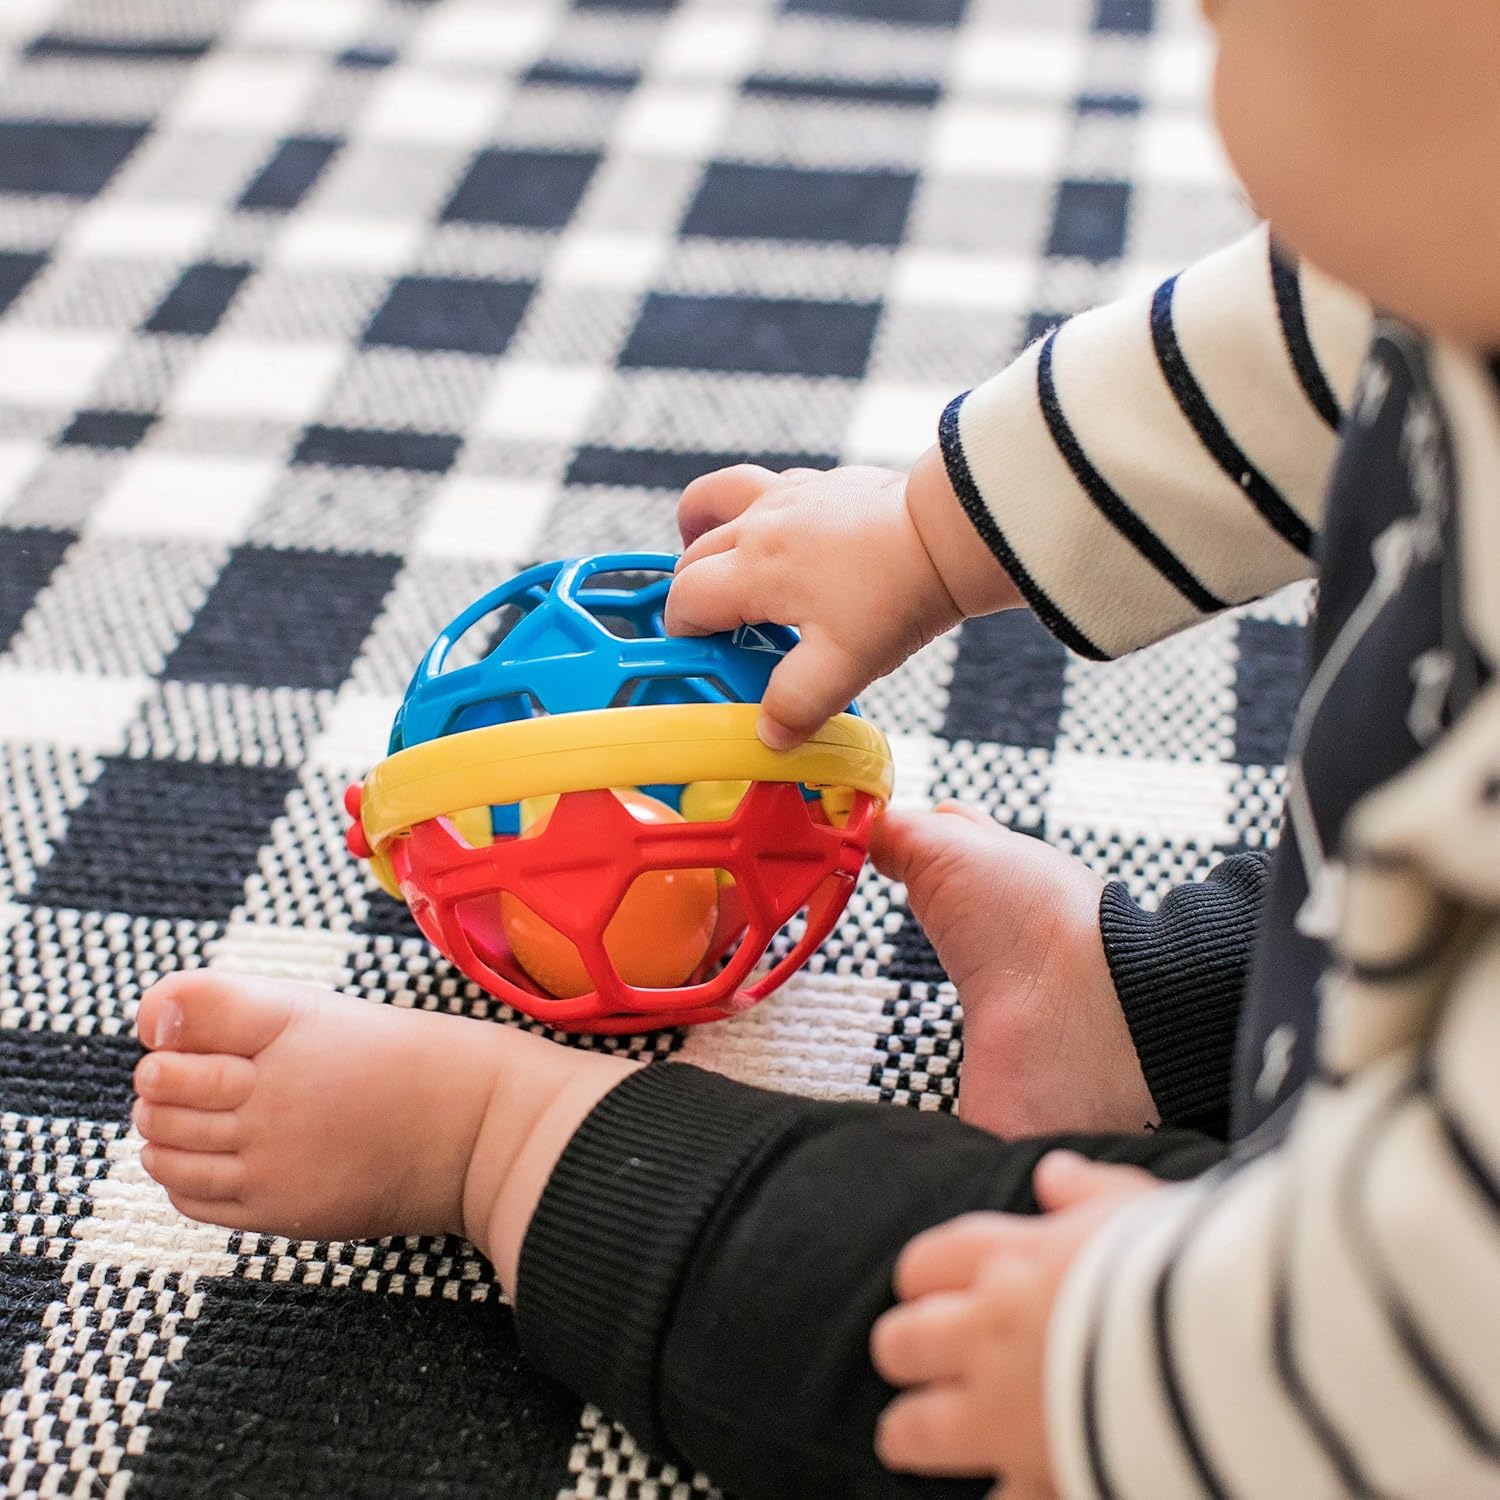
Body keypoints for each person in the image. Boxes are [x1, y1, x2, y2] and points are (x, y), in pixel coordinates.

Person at [131, 0, 1500, 1493]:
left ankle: (514, 1146)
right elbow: (1314, 337)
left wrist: (1135, 1351)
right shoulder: (1444, 247)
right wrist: (936, 529)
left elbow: (1422, 1369)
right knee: (1351, 901)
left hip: (1411, 1321)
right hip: (1440, 974)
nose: (1216, 41)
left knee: (952, 1317)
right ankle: (1156, 1002)